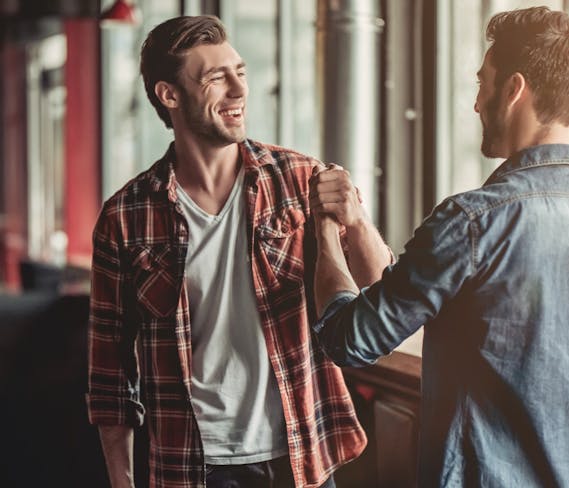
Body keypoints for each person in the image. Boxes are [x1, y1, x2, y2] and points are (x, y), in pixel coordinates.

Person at [310, 6, 569, 487]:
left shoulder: (471, 222)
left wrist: (327, 233)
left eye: (483, 82)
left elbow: (349, 340)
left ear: (514, 89)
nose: (476, 103)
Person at [86, 15, 392, 488]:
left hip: (298, 452)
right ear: (169, 95)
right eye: (215, 78)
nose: (238, 90)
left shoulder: (299, 178)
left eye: (240, 72)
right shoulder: (125, 216)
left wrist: (356, 219)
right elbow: (110, 371)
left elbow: (377, 286)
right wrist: (121, 480)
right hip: (189, 464)